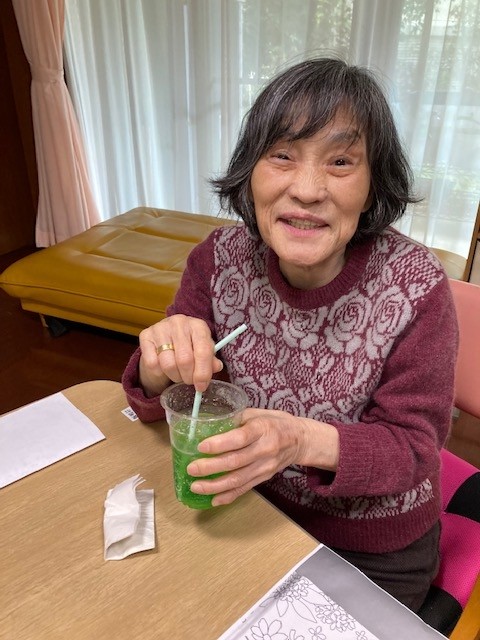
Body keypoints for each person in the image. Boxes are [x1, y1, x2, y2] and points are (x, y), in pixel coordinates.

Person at [122, 57, 458, 612]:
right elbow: (169, 401)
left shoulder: (416, 287)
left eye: (341, 161)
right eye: (282, 155)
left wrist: (298, 441)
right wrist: (159, 365)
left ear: (373, 184)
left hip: (370, 550)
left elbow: (414, 448)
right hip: (250, 507)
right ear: (250, 170)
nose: (306, 190)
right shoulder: (219, 260)